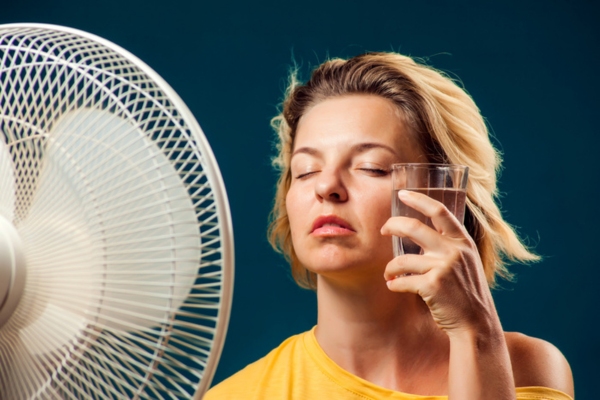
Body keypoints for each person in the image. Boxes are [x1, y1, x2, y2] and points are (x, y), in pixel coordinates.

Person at [205, 52, 574, 399]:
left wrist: (474, 335)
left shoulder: (526, 368)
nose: (326, 187)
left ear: (444, 193)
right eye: (306, 170)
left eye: (372, 167)